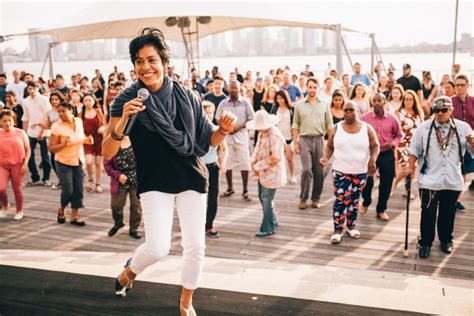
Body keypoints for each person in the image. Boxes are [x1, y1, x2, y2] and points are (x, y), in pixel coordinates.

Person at [102, 28, 235, 314]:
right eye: (139, 61)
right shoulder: (125, 100)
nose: (145, 67)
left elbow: (206, 140)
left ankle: (186, 303)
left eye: (151, 60)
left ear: (164, 62)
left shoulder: (187, 96)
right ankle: (130, 271)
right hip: (154, 181)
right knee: (157, 248)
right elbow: (107, 151)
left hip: (191, 177)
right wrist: (124, 118)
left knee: (195, 247)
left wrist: (222, 131)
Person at [407, 96, 473, 258]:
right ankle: (425, 242)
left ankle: (446, 240)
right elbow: (414, 150)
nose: (440, 114)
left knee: (448, 212)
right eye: (437, 110)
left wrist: (473, 143)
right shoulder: (424, 127)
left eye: (444, 110)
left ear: (451, 110)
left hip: (452, 180)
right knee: (427, 213)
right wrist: (410, 168)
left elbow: (472, 152)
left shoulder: (464, 128)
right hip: (429, 179)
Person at [320, 101, 379, 243]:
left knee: (353, 200)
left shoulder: (367, 128)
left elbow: (375, 145)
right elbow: (329, 146)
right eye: (345, 110)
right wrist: (326, 157)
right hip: (340, 170)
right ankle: (337, 229)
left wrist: (373, 160)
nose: (348, 113)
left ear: (357, 111)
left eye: (351, 110)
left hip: (360, 171)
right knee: (340, 200)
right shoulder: (336, 128)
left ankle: (351, 226)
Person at [49, 102, 93, 226]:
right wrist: (63, 144)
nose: (61, 114)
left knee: (78, 190)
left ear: (71, 111)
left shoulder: (78, 121)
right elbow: (51, 148)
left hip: (78, 160)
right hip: (63, 161)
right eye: (59, 112)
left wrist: (87, 140)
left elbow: (80, 137)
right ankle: (62, 209)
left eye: (63, 111)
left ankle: (74, 217)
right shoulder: (56, 127)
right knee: (68, 190)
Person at [360, 93, 402, 221]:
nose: (377, 103)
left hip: (386, 153)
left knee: (386, 183)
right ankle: (366, 201)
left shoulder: (392, 118)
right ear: (372, 102)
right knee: (367, 180)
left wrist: (393, 144)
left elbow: (399, 135)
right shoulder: (364, 118)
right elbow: (357, 132)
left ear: (384, 102)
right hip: (370, 153)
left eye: (380, 100)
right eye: (375, 100)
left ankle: (381, 209)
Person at [292, 78, 333, 209]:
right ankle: (303, 198)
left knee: (319, 171)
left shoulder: (325, 104)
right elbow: (295, 125)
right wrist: (295, 143)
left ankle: (316, 198)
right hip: (304, 140)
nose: (312, 90)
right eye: (310, 87)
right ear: (307, 88)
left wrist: (331, 145)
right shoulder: (299, 105)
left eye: (314, 87)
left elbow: (330, 126)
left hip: (320, 139)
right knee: (306, 170)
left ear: (317, 88)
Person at [248, 110, 287, 237]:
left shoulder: (275, 136)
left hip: (272, 173)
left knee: (266, 198)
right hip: (262, 173)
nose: (259, 129)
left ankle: (268, 227)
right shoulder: (262, 133)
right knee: (263, 197)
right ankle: (272, 220)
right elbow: (258, 148)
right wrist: (253, 161)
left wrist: (258, 165)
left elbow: (276, 157)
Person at [216, 80, 254, 201]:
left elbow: (251, 119)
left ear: (239, 88)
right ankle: (230, 188)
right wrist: (225, 127)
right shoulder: (223, 103)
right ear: (228, 88)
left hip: (242, 137)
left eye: (236, 88)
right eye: (232, 88)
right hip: (227, 137)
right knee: (228, 163)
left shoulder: (246, 103)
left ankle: (245, 190)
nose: (233, 90)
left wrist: (238, 127)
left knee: (245, 162)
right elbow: (217, 119)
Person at [103, 136, 142, 239]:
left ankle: (134, 228)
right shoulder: (112, 142)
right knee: (115, 206)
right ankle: (118, 223)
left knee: (136, 207)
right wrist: (118, 175)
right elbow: (107, 165)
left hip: (136, 180)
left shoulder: (137, 139)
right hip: (119, 181)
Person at [202, 101, 228, 238]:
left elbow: (224, 149)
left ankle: (209, 225)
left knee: (213, 197)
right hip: (198, 168)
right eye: (205, 113)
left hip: (213, 167)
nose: (208, 115)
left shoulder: (216, 130)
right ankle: (197, 224)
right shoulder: (196, 129)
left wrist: (222, 163)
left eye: (210, 113)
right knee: (198, 197)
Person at [391, 90, 424, 196]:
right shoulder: (398, 113)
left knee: (413, 167)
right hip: (403, 143)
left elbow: (422, 127)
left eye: (410, 99)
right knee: (405, 168)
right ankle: (395, 183)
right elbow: (395, 129)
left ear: (414, 100)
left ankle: (407, 190)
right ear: (403, 100)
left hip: (415, 143)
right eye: (406, 99)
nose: (408, 101)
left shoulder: (419, 112)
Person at [0, 110, 31, 220]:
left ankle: (19, 210)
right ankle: (5, 206)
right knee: (1, 188)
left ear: (14, 121)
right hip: (2, 165)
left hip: (17, 164)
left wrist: (25, 163)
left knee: (17, 189)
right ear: (0, 122)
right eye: (4, 121)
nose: (7, 123)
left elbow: (28, 150)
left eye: (9, 120)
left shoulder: (20, 132)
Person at [22, 81, 52, 186]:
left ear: (37, 88)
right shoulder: (25, 101)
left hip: (44, 132)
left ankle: (46, 178)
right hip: (30, 132)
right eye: (29, 89)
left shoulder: (44, 100)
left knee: (45, 157)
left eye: (33, 88)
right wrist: (24, 134)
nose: (31, 91)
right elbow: (25, 118)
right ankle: (34, 177)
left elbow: (47, 117)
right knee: (29, 155)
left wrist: (42, 132)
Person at [81, 93, 105, 193]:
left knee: (98, 163)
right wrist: (84, 137)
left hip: (99, 140)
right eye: (85, 100)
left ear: (94, 101)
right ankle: (90, 179)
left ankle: (98, 184)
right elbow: (79, 128)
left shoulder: (98, 111)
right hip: (87, 141)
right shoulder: (81, 113)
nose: (87, 102)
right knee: (89, 162)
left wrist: (102, 128)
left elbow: (104, 124)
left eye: (89, 100)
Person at [271, 90, 296, 183]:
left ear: (285, 98)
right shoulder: (275, 108)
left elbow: (295, 124)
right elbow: (271, 121)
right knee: (276, 158)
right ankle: (277, 176)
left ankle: (292, 175)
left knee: (289, 158)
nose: (279, 101)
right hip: (277, 137)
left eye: (281, 98)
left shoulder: (291, 109)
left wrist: (295, 138)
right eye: (277, 99)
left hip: (288, 137)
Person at [47, 91, 65, 189]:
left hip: (63, 138)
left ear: (60, 99)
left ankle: (65, 181)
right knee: (53, 160)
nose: (54, 101)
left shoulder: (63, 110)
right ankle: (60, 180)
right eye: (52, 99)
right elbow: (49, 125)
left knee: (61, 160)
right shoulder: (49, 111)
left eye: (56, 99)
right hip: (53, 138)